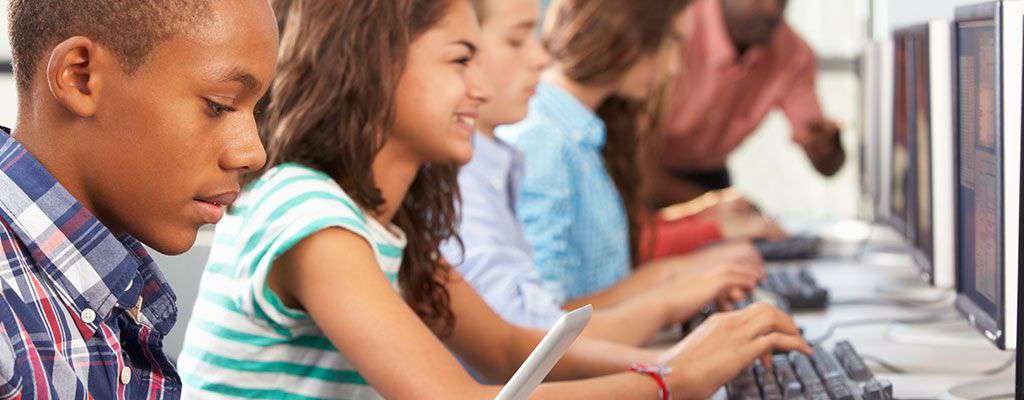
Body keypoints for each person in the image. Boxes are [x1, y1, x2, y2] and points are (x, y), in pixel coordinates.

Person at [178, 0, 811, 398]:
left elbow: (512, 348)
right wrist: (667, 381)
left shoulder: (387, 227)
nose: (482, 89)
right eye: (461, 60)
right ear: (373, 63)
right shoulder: (308, 215)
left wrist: (674, 358)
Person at [442, 0, 765, 345]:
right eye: (670, 42)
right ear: (627, 36)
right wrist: (671, 286)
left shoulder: (578, 135)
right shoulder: (543, 143)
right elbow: (546, 321)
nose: (673, 66)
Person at [0, 0, 277, 398]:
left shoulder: (117, 291)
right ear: (80, 77)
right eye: (220, 105)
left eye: (255, 110)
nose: (252, 152)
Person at [649, 0, 846, 206]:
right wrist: (711, 205)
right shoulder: (675, 24)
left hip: (709, 176)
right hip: (640, 172)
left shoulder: (793, 54)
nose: (772, 10)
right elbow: (623, 160)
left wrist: (826, 148)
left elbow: (827, 165)